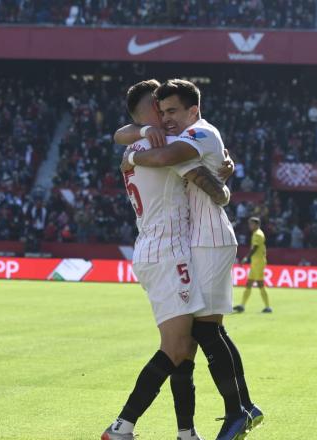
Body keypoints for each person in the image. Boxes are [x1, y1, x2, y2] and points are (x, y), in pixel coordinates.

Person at [118, 79, 263, 440]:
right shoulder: (167, 138)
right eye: (161, 112)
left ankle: (232, 415)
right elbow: (125, 133)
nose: (166, 119)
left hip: (201, 240)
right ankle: (229, 414)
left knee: (200, 334)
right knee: (195, 338)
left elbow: (129, 138)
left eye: (172, 111)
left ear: (192, 110)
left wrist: (132, 154)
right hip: (185, 244)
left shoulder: (191, 135)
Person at [234, 217, 271, 313]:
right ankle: (242, 305)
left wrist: (246, 258)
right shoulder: (256, 233)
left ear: (257, 225)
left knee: (260, 284)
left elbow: (254, 248)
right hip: (256, 262)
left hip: (258, 262)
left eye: (251, 224)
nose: (249, 226)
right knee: (249, 283)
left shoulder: (258, 234)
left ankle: (268, 307)